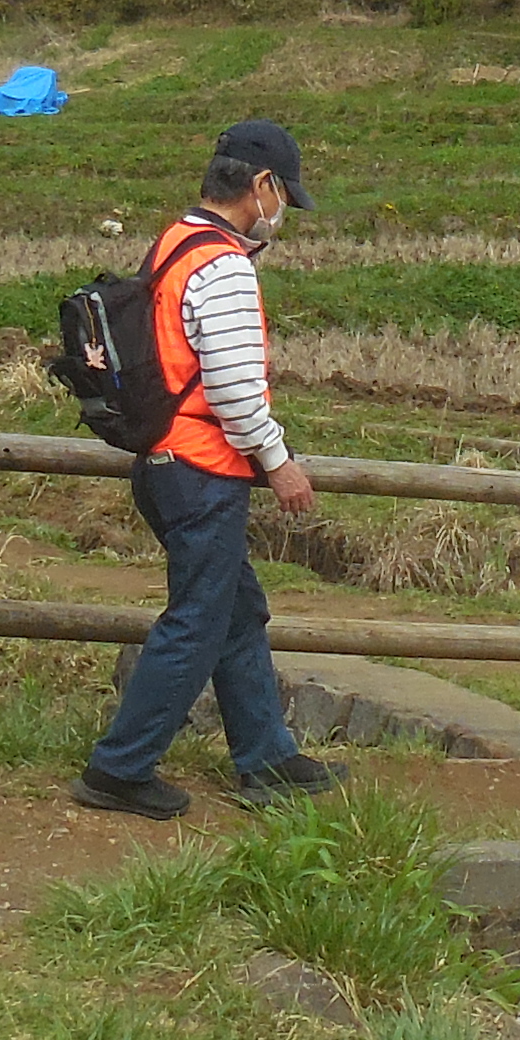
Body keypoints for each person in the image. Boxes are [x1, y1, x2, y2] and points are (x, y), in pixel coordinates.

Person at [70, 119, 349, 821]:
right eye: (283, 194)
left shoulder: (174, 243)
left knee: (236, 610)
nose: (283, 210)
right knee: (197, 618)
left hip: (164, 461)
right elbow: (232, 389)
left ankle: (268, 756)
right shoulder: (222, 265)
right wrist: (280, 463)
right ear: (261, 187)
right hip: (201, 470)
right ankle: (120, 768)